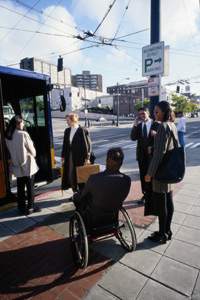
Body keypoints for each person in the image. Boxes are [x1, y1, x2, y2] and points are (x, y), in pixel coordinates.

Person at [145, 101, 178, 244]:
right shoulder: (172, 125)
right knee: (169, 202)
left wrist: (149, 173)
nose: (154, 114)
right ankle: (167, 230)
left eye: (157, 111)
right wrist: (154, 146)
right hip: (170, 170)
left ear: (164, 112)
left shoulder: (162, 127)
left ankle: (161, 234)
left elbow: (160, 153)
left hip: (160, 172)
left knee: (161, 205)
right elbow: (169, 146)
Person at [73, 147, 131, 228]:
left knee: (79, 201)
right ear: (121, 163)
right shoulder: (126, 179)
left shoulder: (94, 178)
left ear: (106, 160)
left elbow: (83, 196)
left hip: (93, 219)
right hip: (112, 216)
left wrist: (74, 196)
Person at [5, 115, 39, 215]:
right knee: (30, 187)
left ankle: (21, 208)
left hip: (16, 166)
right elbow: (33, 151)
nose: (23, 124)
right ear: (17, 123)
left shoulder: (8, 136)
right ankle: (30, 208)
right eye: (22, 122)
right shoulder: (23, 134)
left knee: (20, 188)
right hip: (27, 166)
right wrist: (33, 154)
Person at [130, 107, 159, 205]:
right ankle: (145, 194)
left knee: (152, 175)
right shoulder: (139, 126)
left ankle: (154, 194)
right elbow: (133, 138)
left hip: (153, 156)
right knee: (143, 176)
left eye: (143, 113)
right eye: (140, 114)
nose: (142, 116)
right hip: (142, 156)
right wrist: (134, 125)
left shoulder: (156, 124)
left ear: (148, 113)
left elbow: (163, 139)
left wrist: (156, 134)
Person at [61, 113, 90, 192]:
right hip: (69, 155)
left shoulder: (81, 130)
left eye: (68, 120)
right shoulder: (67, 131)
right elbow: (65, 144)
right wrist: (63, 156)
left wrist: (87, 158)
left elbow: (86, 145)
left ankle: (81, 193)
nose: (67, 122)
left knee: (80, 175)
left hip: (79, 157)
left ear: (73, 120)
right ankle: (75, 192)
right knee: (70, 174)